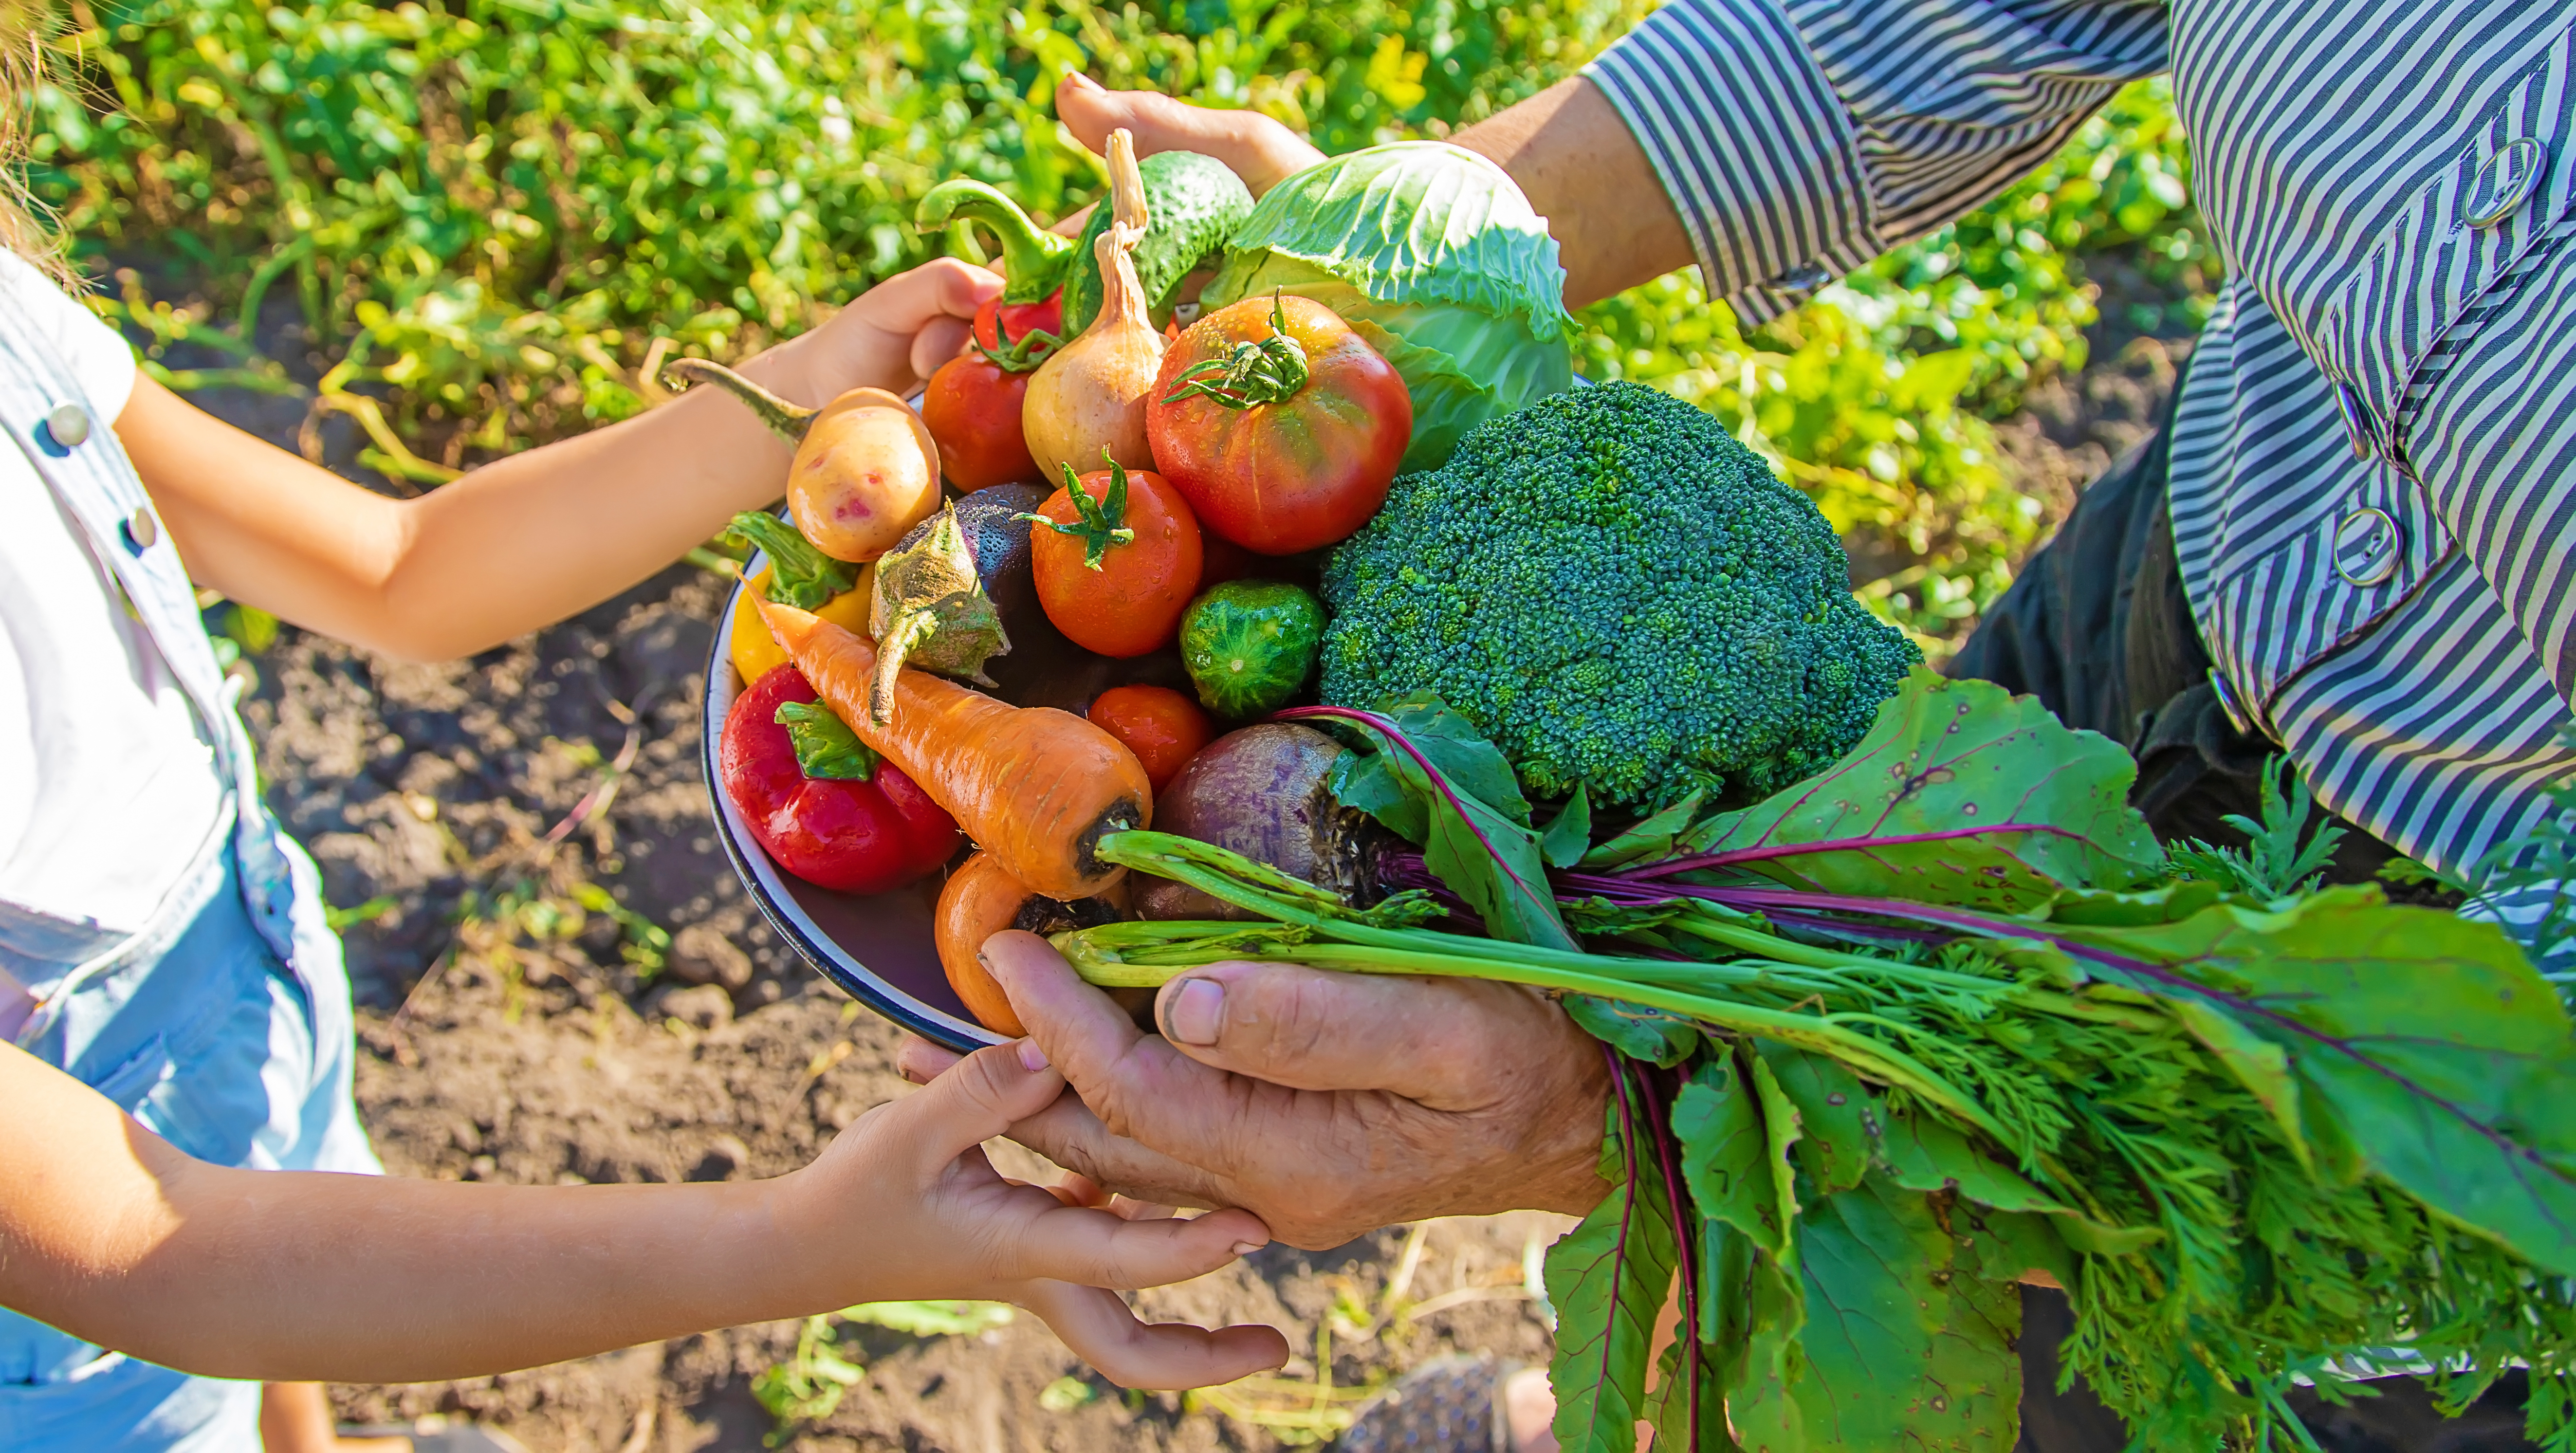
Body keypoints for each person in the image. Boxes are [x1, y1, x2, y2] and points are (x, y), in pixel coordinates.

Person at [902, 3, 2576, 1443]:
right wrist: (1418, 267)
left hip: (2491, 983)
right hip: (2195, 565)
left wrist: (1613, 1110)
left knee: (2188, 1349)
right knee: (1861, 1215)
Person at [0, 25, 1288, 1453]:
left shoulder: (14, 326)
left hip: (236, 946)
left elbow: (397, 569)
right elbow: (149, 1253)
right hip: (66, 1302)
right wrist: (799, 1240)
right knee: (180, 1394)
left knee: (290, 1233)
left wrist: (818, 389)